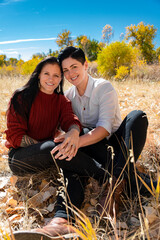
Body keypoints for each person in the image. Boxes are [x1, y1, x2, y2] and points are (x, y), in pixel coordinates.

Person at [5, 56, 121, 240]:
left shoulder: (61, 100)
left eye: (57, 75)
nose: (51, 79)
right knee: (58, 146)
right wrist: (47, 145)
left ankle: (63, 221)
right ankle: (105, 176)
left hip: (53, 154)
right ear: (38, 75)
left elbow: (71, 120)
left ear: (61, 79)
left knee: (69, 162)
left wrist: (74, 132)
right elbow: (14, 136)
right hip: (21, 158)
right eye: (46, 74)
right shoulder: (21, 97)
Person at [56, 46, 157, 213]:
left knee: (138, 116)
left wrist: (76, 142)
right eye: (65, 70)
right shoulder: (68, 97)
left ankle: (114, 188)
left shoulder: (103, 87)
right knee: (80, 132)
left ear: (85, 66)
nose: (70, 73)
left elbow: (104, 129)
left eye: (74, 67)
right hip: (96, 152)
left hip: (119, 146)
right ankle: (131, 182)